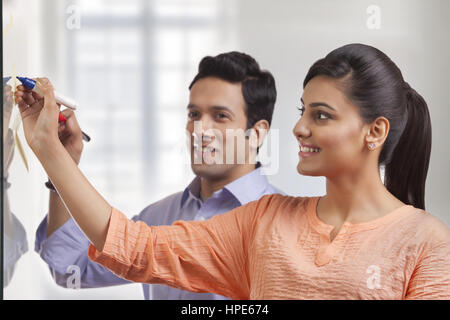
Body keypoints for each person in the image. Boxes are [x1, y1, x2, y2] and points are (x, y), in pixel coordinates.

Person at [16, 43, 449, 299]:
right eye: (303, 112)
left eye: (321, 115)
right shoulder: (265, 222)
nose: (298, 127)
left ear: (374, 131)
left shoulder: (427, 243)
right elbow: (133, 249)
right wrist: (51, 151)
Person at [24, 52, 282, 299]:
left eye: (220, 116)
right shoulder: (161, 216)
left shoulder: (285, 225)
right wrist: (62, 168)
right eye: (194, 114)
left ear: (257, 134)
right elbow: (71, 267)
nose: (200, 130)